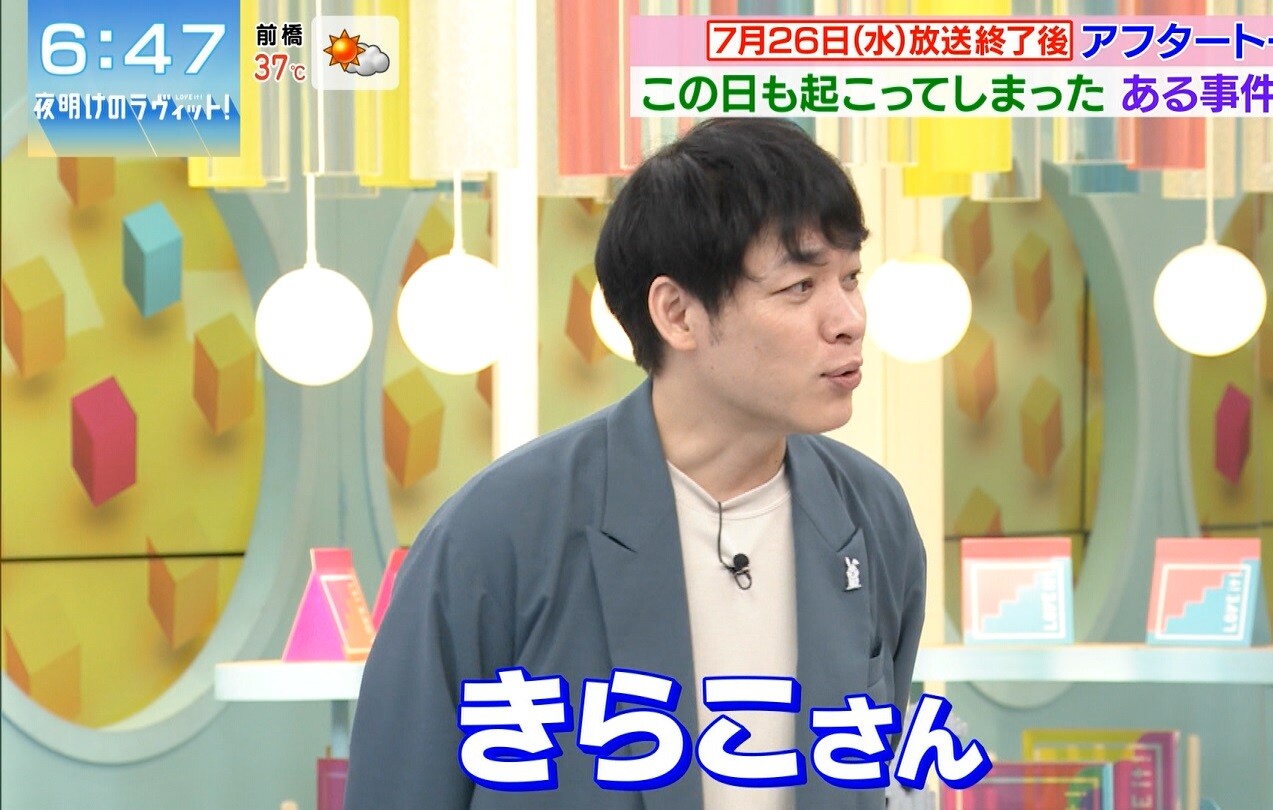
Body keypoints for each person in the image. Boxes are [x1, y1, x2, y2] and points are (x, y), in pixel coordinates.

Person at [346, 118, 927, 809]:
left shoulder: (871, 515)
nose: (849, 319)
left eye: (850, 278)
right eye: (800, 287)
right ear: (677, 314)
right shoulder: (496, 533)